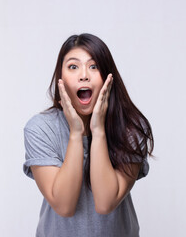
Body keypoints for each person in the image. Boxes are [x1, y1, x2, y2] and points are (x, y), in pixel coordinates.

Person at [23, 33, 154, 237]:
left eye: (94, 66)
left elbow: (105, 203)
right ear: (61, 78)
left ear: (108, 77)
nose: (84, 75)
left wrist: (98, 130)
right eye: (73, 67)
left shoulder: (131, 128)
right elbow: (64, 206)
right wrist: (76, 132)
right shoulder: (40, 128)